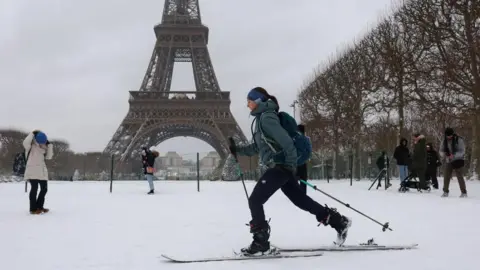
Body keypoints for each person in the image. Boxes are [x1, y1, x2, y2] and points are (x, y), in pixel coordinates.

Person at [228, 87, 351, 255]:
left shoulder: (267, 118)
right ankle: (339, 222)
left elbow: (287, 142)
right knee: (300, 200)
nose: (247, 105)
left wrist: (290, 165)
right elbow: (257, 148)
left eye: (249, 101)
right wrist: (238, 150)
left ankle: (260, 242)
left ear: (258, 101)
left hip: (280, 167)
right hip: (281, 167)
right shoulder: (260, 120)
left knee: (255, 200)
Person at [23, 130, 54, 214]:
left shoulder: (44, 147)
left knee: (44, 189)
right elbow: (25, 142)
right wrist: (32, 133)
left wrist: (50, 145)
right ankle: (33, 209)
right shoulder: (30, 146)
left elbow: (49, 157)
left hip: (42, 171)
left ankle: (40, 206)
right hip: (32, 170)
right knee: (34, 189)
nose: (42, 143)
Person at [439, 127, 467, 197]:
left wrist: (453, 156)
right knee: (446, 176)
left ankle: (464, 192)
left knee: (460, 177)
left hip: (458, 160)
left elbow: (462, 151)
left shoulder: (459, 140)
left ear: (452, 134)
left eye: (450, 135)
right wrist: (445, 154)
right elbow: (441, 151)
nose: (449, 137)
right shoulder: (444, 141)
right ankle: (445, 191)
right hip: (448, 161)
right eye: (447, 135)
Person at [296, 124, 312, 194]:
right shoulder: (306, 139)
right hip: (302, 163)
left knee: (294, 180)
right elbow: (309, 152)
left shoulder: (293, 139)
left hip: (294, 163)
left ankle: (295, 193)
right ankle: (303, 194)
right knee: (303, 180)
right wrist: (303, 159)